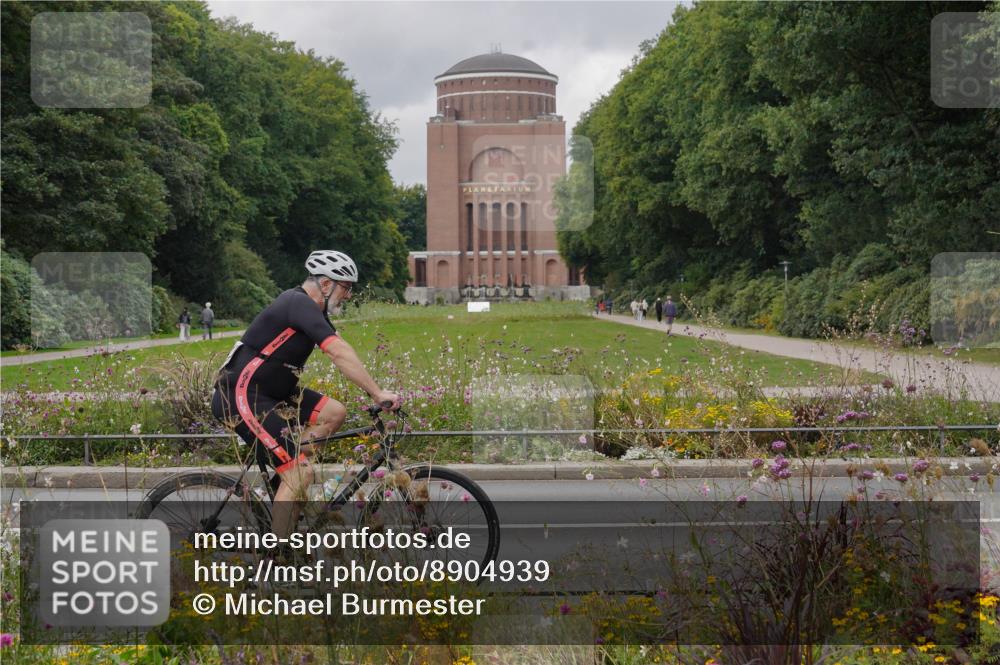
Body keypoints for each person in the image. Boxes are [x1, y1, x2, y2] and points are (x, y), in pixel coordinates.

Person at [211, 250, 400, 540]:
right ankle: (278, 559)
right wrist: (376, 393)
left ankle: (285, 480)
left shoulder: (313, 311)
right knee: (301, 474)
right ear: (326, 285)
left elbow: (340, 348)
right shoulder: (296, 302)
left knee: (333, 413)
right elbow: (337, 351)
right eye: (346, 287)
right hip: (242, 394)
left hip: (275, 392)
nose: (348, 295)